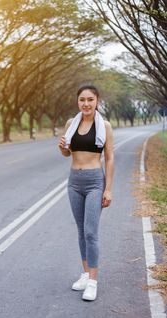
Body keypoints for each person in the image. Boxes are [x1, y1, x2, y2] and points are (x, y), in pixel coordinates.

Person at [58, 84, 114, 301]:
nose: (86, 103)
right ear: (77, 102)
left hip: (94, 182)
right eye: (82, 99)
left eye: (90, 99)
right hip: (74, 182)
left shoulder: (105, 126)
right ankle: (84, 274)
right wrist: (62, 147)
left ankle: (93, 281)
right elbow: (66, 153)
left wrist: (107, 189)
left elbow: (109, 158)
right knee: (81, 231)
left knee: (91, 232)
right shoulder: (71, 124)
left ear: (97, 101)